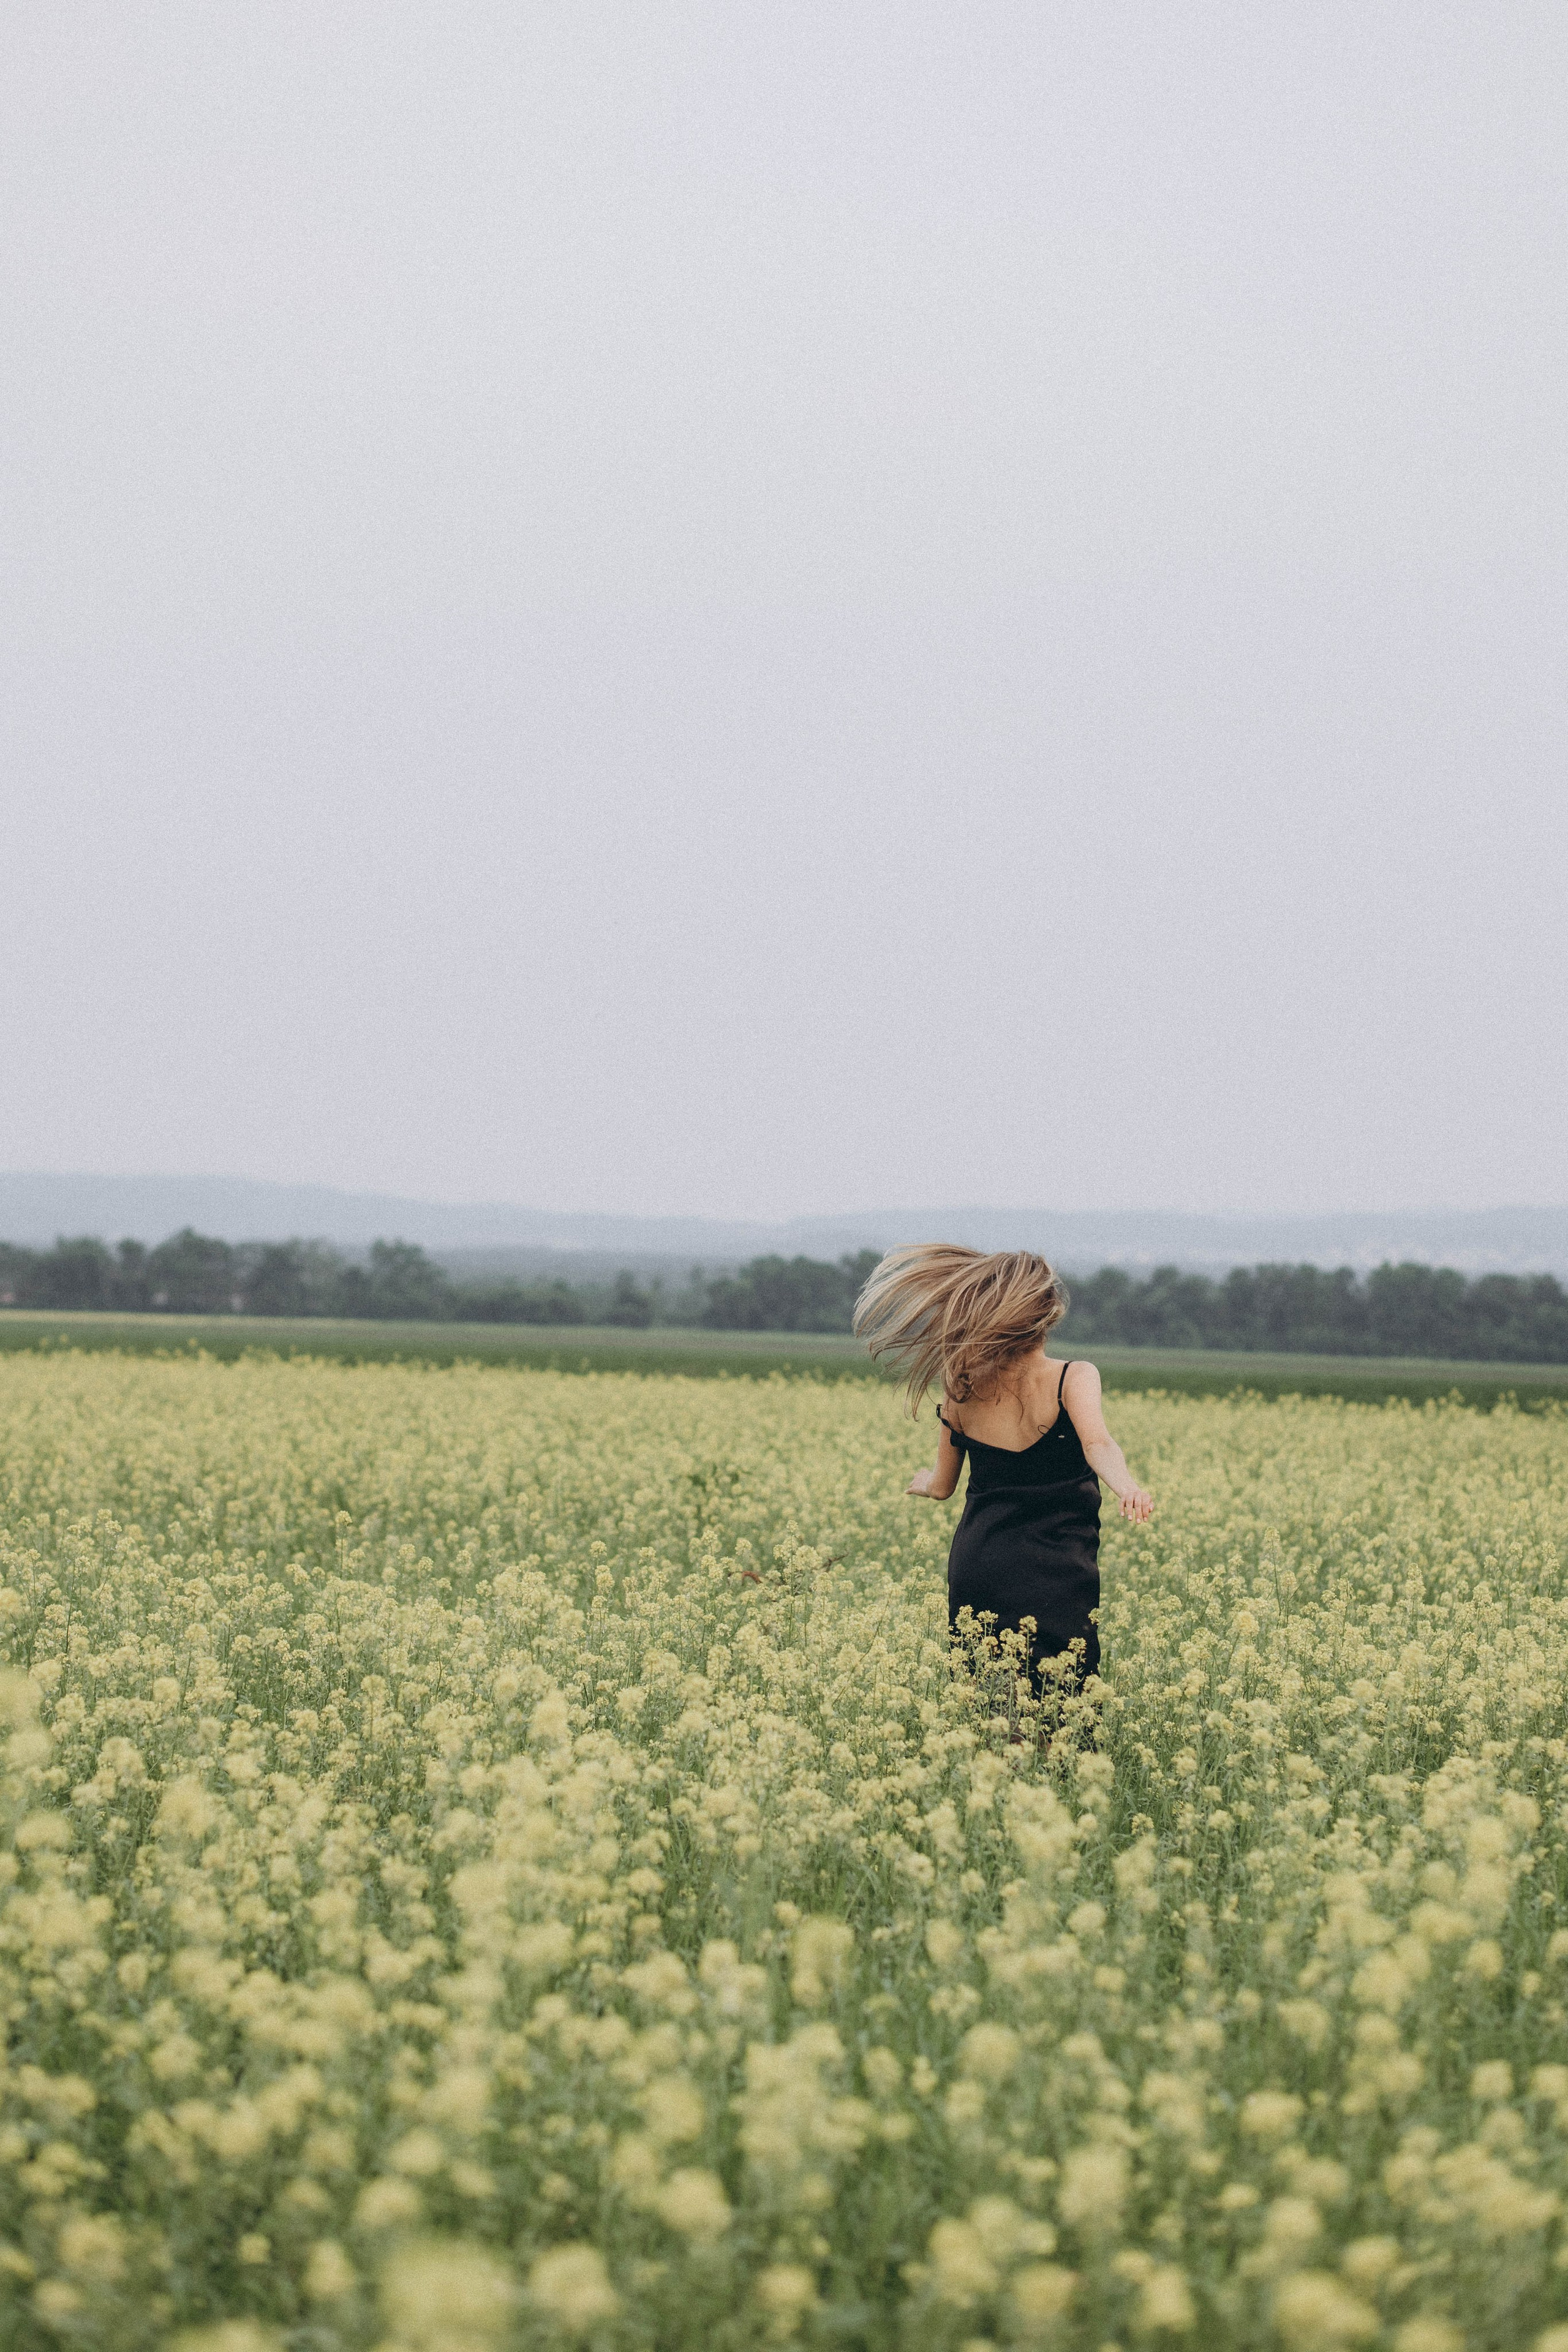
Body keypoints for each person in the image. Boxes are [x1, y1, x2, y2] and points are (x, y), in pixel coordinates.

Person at [852, 1245, 1152, 1690]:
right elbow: (1099, 1444)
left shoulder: (961, 1386)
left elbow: (942, 1486)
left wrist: (924, 1483)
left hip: (981, 1565)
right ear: (1049, 1314)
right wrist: (1126, 1485)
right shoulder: (1074, 1377)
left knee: (988, 1706)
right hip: (1057, 1571)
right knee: (1060, 1705)